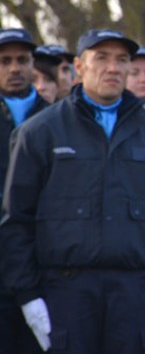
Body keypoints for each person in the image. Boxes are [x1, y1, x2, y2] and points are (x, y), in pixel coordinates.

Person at [0, 29, 145, 354]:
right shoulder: (40, 132)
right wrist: (27, 295)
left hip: (133, 291)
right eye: (101, 57)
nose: (113, 67)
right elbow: (16, 219)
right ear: (79, 66)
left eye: (121, 59)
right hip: (65, 291)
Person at [0, 29, 51, 354]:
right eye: (4, 61)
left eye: (22, 60)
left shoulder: (54, 118)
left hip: (42, 262)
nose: (14, 68)